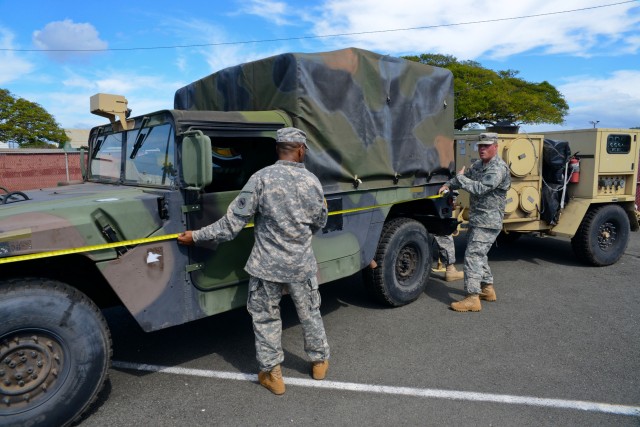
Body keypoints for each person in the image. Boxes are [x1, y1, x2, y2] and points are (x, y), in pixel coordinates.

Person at [177, 127, 330, 395]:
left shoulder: (260, 179)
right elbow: (320, 221)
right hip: (301, 264)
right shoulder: (313, 182)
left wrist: (197, 236)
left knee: (266, 319)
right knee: (310, 314)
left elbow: (231, 225)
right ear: (301, 150)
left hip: (266, 266)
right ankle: (319, 362)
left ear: (278, 149)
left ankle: (274, 376)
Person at [438, 133, 511, 312]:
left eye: (486, 146)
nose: (482, 149)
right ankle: (487, 289)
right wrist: (448, 185)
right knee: (479, 254)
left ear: (496, 146)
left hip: (489, 221)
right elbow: (462, 178)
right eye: (480, 146)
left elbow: (479, 189)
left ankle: (472, 298)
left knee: (472, 256)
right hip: (478, 218)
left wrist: (461, 179)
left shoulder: (498, 168)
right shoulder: (479, 165)